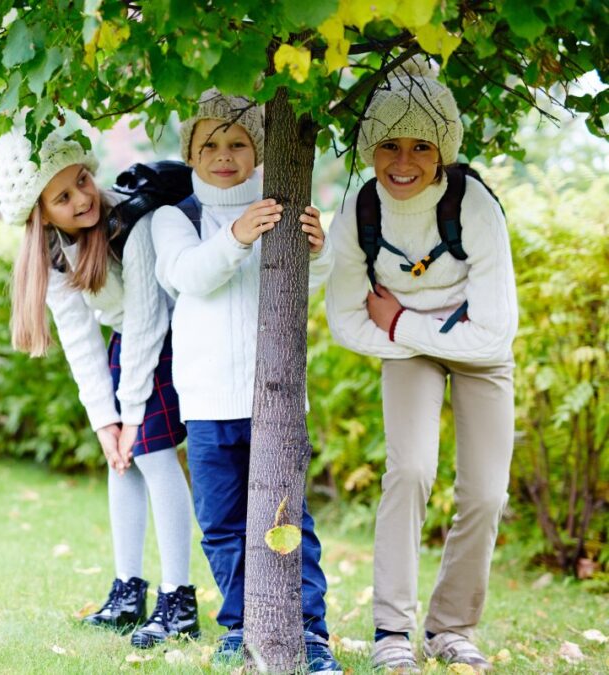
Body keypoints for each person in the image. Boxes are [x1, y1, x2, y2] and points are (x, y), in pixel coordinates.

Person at [326, 58, 518, 672]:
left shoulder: (475, 209)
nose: (402, 163)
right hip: (408, 353)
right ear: (369, 148)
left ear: (444, 152)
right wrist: (417, 338)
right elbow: (346, 320)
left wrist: (403, 322)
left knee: (486, 493)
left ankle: (451, 628)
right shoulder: (360, 213)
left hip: (469, 354)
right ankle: (391, 632)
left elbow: (494, 336)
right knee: (409, 472)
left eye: (420, 146)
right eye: (388, 145)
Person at [151, 89, 341, 672]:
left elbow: (304, 286)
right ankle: (240, 624)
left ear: (259, 150)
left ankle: (310, 632)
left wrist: (319, 250)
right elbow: (189, 275)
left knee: (288, 522)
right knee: (222, 523)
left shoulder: (277, 206)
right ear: (191, 152)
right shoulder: (174, 218)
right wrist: (236, 236)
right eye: (210, 144)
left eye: (238, 142)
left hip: (274, 403)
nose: (224, 154)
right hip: (208, 402)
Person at [0, 129, 197, 648]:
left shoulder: (132, 223)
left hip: (167, 338)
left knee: (152, 456)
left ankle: (179, 600)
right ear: (41, 215)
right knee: (121, 460)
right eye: (63, 197)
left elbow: (150, 318)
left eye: (82, 180)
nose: (83, 197)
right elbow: (82, 342)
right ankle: (128, 589)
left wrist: (131, 416)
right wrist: (106, 423)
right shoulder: (55, 253)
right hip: (127, 344)